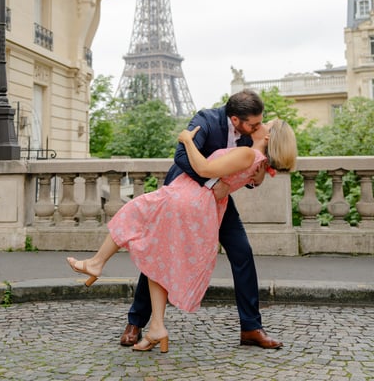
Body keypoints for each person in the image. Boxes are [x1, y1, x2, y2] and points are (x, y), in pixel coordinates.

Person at [67, 119, 297, 353]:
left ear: (268, 137)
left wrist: (187, 139)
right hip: (200, 199)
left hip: (192, 198)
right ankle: (151, 325)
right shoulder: (215, 125)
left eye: (265, 123)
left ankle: (97, 263)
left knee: (134, 220)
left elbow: (210, 169)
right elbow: (246, 164)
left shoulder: (249, 150)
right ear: (237, 117)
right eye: (258, 120)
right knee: (158, 254)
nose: (261, 122)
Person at [120, 89, 286, 350]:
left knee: (242, 252)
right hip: (185, 198)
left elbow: (246, 170)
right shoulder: (206, 120)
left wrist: (256, 177)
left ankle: (251, 328)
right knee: (160, 252)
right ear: (235, 120)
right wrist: (213, 183)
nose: (259, 127)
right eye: (253, 124)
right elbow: (182, 156)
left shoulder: (250, 134)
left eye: (259, 122)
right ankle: (135, 321)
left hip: (219, 203)